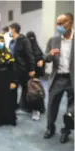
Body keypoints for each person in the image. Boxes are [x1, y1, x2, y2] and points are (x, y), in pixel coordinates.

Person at [44, 13, 74, 143]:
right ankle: (50, 128)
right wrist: (50, 54)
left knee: (71, 109)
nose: (58, 26)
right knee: (52, 105)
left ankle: (66, 131)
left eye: (62, 23)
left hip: (72, 79)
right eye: (57, 23)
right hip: (58, 78)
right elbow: (45, 58)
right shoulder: (53, 40)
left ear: (70, 22)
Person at [0, 34, 17, 126]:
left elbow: (13, 69)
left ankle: (8, 119)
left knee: (8, 100)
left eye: (1, 41)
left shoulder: (8, 53)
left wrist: (14, 81)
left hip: (7, 80)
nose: (0, 43)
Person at [9, 23, 35, 112]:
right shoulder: (11, 41)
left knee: (25, 88)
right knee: (13, 88)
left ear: (13, 29)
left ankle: (27, 107)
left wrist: (32, 68)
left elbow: (29, 54)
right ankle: (13, 105)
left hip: (22, 68)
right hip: (12, 69)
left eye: (10, 29)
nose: (9, 31)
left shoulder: (24, 40)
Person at [26, 31, 45, 120]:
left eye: (32, 37)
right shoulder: (25, 48)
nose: (31, 40)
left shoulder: (37, 48)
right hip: (27, 74)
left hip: (36, 75)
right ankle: (29, 107)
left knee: (36, 93)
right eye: (29, 38)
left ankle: (37, 109)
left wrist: (41, 62)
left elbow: (42, 58)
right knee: (29, 92)